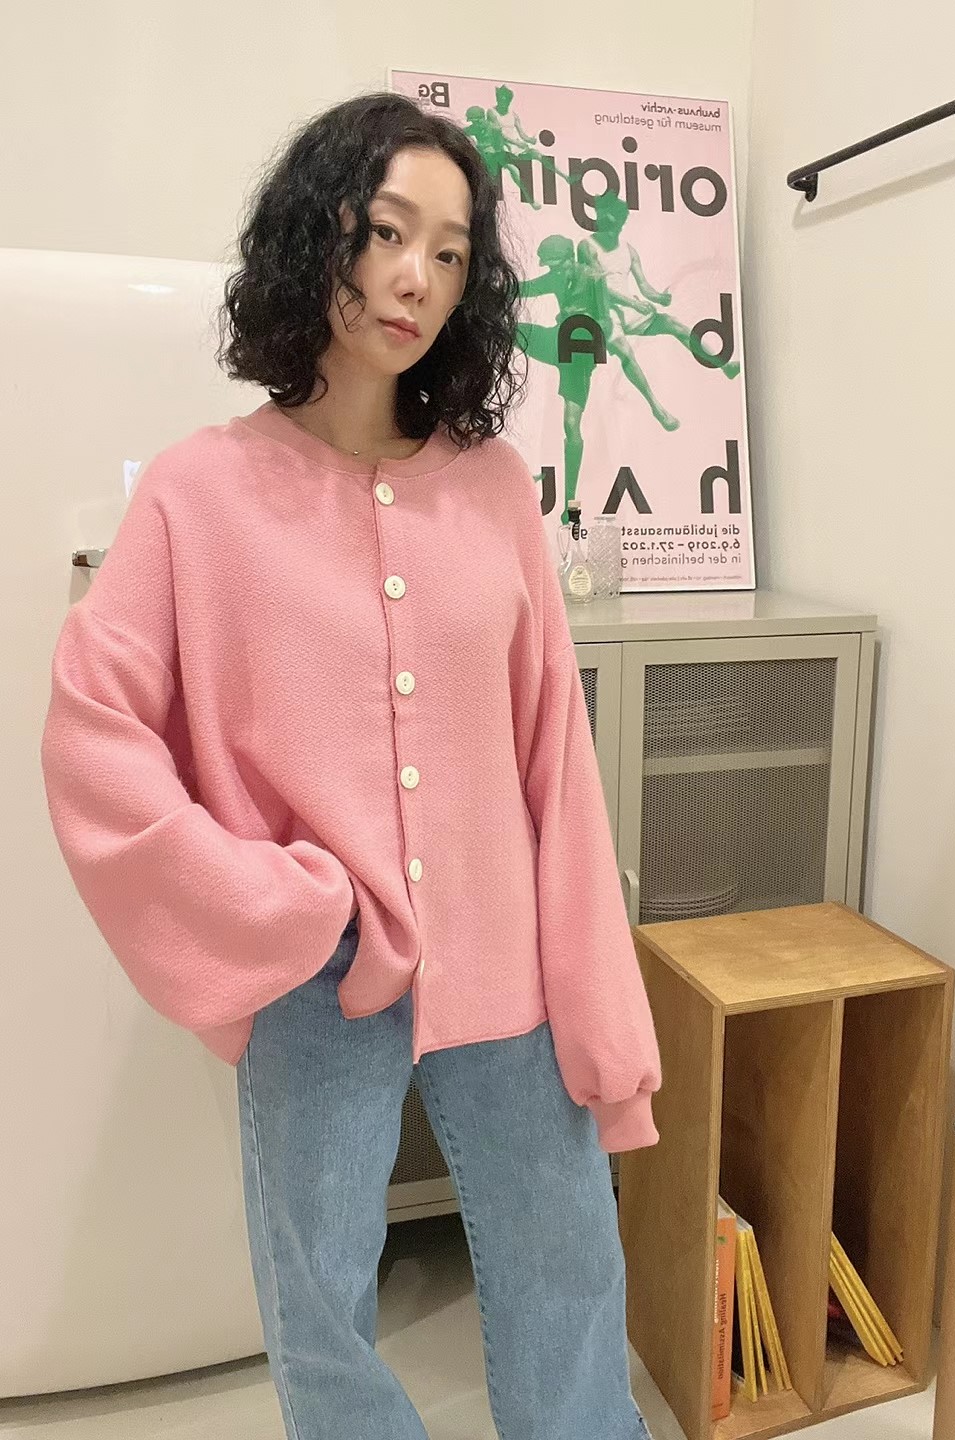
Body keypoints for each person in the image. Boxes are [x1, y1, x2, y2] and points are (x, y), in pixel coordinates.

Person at [39, 92, 661, 1440]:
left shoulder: (494, 488)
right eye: (387, 231)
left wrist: (599, 1003)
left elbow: (556, 761)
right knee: (319, 1305)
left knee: (565, 1263)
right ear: (316, 232)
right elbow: (92, 728)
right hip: (317, 978)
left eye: (450, 252)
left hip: (505, 953)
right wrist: (267, 900)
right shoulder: (199, 492)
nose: (415, 278)